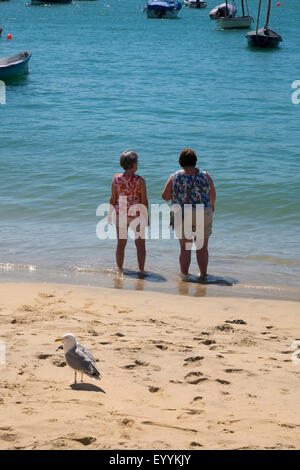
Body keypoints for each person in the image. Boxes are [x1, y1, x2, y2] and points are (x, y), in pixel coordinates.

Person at [162, 148, 216, 279]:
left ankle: (185, 276)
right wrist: (212, 206)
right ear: (195, 161)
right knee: (201, 248)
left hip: (182, 213)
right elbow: (212, 193)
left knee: (185, 248)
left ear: (180, 161)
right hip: (202, 212)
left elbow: (165, 196)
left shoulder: (175, 176)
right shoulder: (205, 175)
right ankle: (203, 276)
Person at [109, 150, 148, 272]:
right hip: (136, 214)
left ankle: (120, 269)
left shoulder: (116, 179)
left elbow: (113, 198)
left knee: (121, 244)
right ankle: (141, 270)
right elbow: (144, 200)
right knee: (140, 245)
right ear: (133, 164)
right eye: (137, 162)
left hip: (121, 213)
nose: (138, 164)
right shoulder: (140, 180)